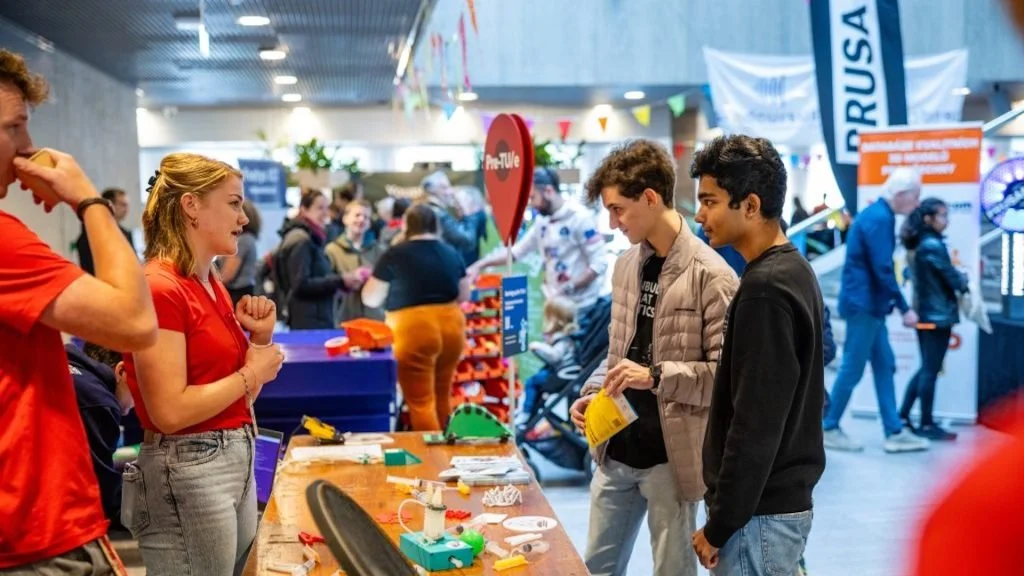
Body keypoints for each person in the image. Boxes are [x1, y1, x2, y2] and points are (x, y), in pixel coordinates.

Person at [0, 48, 157, 574]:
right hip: (36, 536)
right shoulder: (4, 243)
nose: (28, 146)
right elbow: (135, 323)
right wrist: (88, 202)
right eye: (14, 127)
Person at [568, 139, 738, 576]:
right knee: (595, 567)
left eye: (618, 209)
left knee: (672, 570)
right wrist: (593, 390)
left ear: (649, 197)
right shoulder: (626, 265)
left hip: (672, 458)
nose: (612, 223)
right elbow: (618, 352)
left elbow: (725, 379)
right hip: (615, 448)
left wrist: (656, 375)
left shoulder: (712, 276)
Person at [123, 152, 285, 576]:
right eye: (233, 204)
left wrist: (260, 339)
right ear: (191, 205)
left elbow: (239, 400)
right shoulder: (160, 287)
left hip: (234, 457)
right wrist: (253, 372)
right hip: (190, 469)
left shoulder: (211, 283)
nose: (244, 219)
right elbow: (169, 411)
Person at [688, 134, 825, 575]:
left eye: (710, 202)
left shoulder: (765, 289)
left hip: (757, 519)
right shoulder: (791, 270)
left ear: (749, 206)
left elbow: (755, 424)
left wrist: (720, 524)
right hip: (772, 511)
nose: (700, 215)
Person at [823, 167, 930, 454]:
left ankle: (893, 431)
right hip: (865, 307)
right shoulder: (879, 219)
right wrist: (905, 308)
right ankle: (828, 426)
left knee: (885, 364)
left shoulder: (879, 216)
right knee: (852, 368)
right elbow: (882, 269)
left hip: (869, 306)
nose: (917, 203)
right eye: (916, 197)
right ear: (901, 194)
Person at [361, 203, 471, 431]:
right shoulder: (451, 252)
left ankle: (431, 453)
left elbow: (370, 298)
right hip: (452, 326)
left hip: (412, 329)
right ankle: (449, 447)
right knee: (443, 396)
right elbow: (464, 295)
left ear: (406, 225)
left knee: (421, 403)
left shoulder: (395, 254)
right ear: (436, 225)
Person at [469, 167, 610, 308]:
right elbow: (516, 253)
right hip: (558, 306)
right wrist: (480, 264)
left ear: (548, 191)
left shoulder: (580, 218)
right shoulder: (542, 222)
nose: (531, 204)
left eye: (533, 197)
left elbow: (599, 263)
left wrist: (569, 287)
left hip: (585, 306)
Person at [898, 198, 967, 441]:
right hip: (936, 317)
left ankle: (904, 415)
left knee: (927, 368)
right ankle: (926, 424)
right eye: (942, 215)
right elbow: (953, 280)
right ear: (928, 219)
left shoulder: (919, 242)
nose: (946, 220)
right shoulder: (932, 245)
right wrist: (964, 279)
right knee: (930, 370)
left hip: (925, 314)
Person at [66, 342, 135, 531]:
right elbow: (103, 495)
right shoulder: (99, 401)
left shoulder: (63, 366)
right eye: (143, 382)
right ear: (121, 371)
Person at [275, 188, 363, 329]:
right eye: (320, 208)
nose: (326, 213)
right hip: (308, 324)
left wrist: (338, 284)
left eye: (327, 208)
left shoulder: (310, 238)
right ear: (304, 209)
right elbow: (301, 284)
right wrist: (340, 280)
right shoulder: (302, 240)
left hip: (313, 319)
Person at [325, 199, 383, 322]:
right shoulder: (332, 250)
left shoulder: (379, 251)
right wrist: (347, 280)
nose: (361, 220)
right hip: (344, 319)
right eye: (357, 215)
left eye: (366, 217)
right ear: (345, 219)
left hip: (374, 319)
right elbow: (326, 282)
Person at [523, 296, 578, 424]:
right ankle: (530, 412)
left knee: (531, 382)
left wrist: (538, 346)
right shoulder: (569, 335)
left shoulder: (563, 338)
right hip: (561, 372)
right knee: (537, 378)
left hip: (562, 374)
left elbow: (555, 356)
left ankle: (526, 411)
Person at [76, 186, 136, 274]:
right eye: (123, 205)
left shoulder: (126, 233)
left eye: (127, 205)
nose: (127, 209)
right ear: (110, 205)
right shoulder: (91, 233)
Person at [420, 170, 478, 255]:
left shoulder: (427, 211)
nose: (450, 192)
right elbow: (467, 241)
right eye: (445, 187)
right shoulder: (439, 215)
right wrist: (467, 213)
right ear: (432, 191)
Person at [218, 199, 262, 305]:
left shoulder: (242, 241)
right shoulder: (249, 238)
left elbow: (227, 275)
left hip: (237, 295)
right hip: (244, 291)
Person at [454, 185, 490, 265]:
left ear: (471, 200)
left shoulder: (482, 218)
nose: (456, 206)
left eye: (459, 201)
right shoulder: (463, 221)